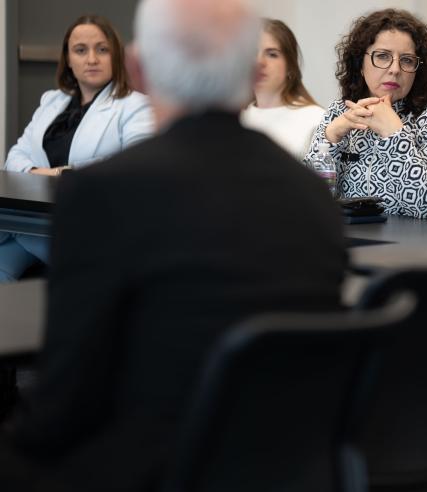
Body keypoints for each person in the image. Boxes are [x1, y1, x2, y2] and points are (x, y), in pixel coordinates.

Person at [0, 0, 347, 490]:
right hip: (286, 464)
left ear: (137, 69)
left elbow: (65, 400)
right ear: (251, 72)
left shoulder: (102, 195)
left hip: (152, 468)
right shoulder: (312, 195)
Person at [0, 14, 153, 282]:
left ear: (115, 56)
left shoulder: (135, 105)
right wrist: (42, 172)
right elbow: (14, 156)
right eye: (80, 50)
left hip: (90, 227)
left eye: (102, 49)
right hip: (33, 221)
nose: (91, 59)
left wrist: (60, 174)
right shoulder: (52, 101)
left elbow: (135, 166)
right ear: (68, 59)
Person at [306, 9, 427, 220]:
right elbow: (310, 200)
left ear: (418, 70)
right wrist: (330, 138)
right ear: (360, 63)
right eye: (382, 56)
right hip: (361, 242)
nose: (395, 69)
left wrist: (394, 132)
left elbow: (425, 204)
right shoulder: (340, 112)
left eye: (407, 60)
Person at [240, 18, 324, 162]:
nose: (259, 62)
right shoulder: (236, 119)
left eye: (272, 54)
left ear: (290, 66)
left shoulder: (317, 119)